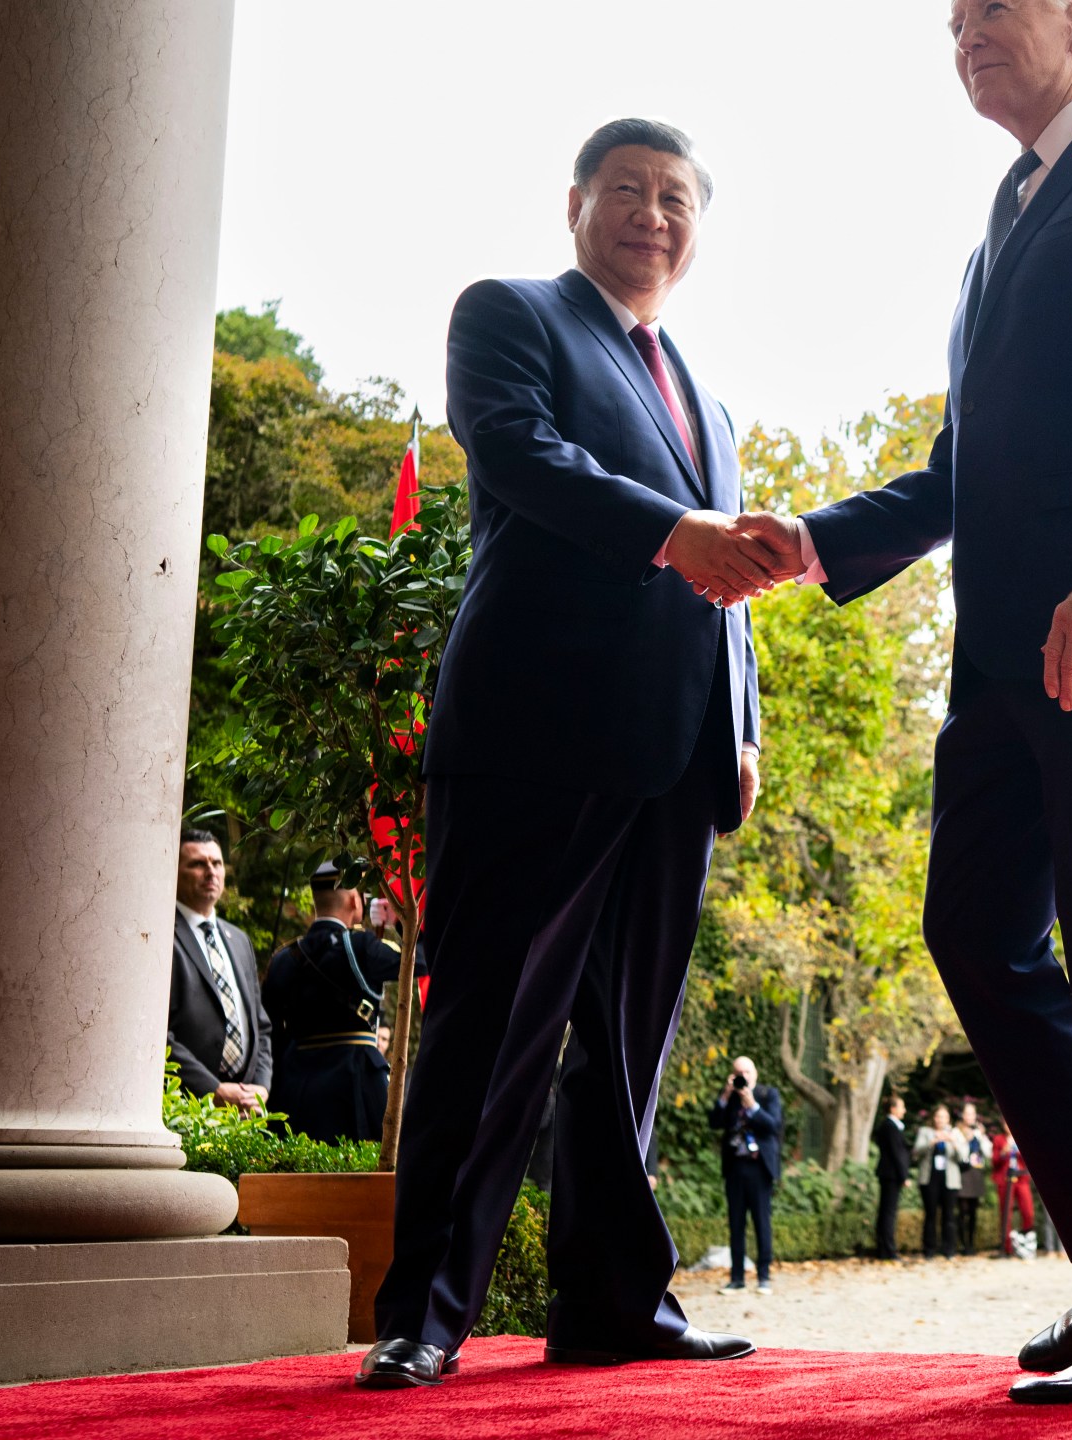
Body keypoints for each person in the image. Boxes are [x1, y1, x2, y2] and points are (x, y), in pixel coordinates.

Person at [736, 0, 1072, 1402]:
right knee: (971, 928)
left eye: (993, 9)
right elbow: (963, 470)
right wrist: (816, 540)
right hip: (1001, 656)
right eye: (950, 19)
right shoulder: (995, 228)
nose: (963, 32)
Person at [359, 118, 788, 1389]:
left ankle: (612, 1304)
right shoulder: (510, 316)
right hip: (534, 735)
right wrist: (675, 531)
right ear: (576, 204)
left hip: (678, 755)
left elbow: (731, 580)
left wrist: (744, 720)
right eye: (627, 191)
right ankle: (425, 1313)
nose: (652, 215)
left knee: (625, 1048)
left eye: (675, 198)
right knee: (490, 1025)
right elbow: (523, 459)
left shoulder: (705, 392)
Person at [261, 861, 404, 1142]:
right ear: (354, 899)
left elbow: (272, 1034)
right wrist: (399, 920)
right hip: (356, 1086)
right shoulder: (361, 947)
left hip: (295, 1089)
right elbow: (423, 960)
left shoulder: (283, 959)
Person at [167, 830, 272, 1112]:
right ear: (173, 872)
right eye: (198, 864)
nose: (210, 872)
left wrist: (260, 1087)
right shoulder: (160, 934)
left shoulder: (239, 940)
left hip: (244, 1107)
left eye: (217, 863)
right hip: (186, 1105)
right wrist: (211, 1090)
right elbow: (157, 1034)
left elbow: (260, 1027)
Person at [713, 1057, 783, 1294]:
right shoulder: (729, 1097)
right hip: (735, 1167)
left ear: (755, 1073)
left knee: (762, 1222)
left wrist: (752, 1104)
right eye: (738, 1072)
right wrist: (724, 1095)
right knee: (736, 1224)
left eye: (747, 1071)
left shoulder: (767, 1094)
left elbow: (773, 1126)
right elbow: (714, 1122)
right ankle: (737, 1278)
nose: (743, 1075)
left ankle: (764, 1277)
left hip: (759, 1168)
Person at [919, 1103, 963, 1258]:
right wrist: (932, 1142)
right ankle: (929, 1249)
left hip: (949, 1180)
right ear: (934, 1117)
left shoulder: (955, 1133)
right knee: (930, 1214)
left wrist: (953, 1142)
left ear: (948, 1118)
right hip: (930, 1178)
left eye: (944, 1116)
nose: (941, 1119)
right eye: (938, 1116)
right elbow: (916, 1151)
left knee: (949, 1215)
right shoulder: (925, 1132)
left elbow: (963, 1157)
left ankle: (949, 1249)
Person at [873, 1094, 913, 1260]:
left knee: (886, 1211)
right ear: (893, 1108)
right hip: (891, 1174)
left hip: (888, 1173)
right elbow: (897, 1154)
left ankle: (884, 1248)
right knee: (888, 1212)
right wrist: (904, 1176)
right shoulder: (890, 1127)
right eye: (901, 1107)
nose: (904, 1110)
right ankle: (888, 1250)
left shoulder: (889, 1126)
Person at [992, 1121, 1037, 1255]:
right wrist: (1003, 1152)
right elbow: (994, 1161)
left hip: (1021, 1178)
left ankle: (1027, 1243)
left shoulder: (1022, 1136)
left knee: (1028, 1211)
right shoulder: (999, 1139)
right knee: (1006, 1213)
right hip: (1005, 1179)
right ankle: (1007, 1248)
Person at [954, 1102, 992, 1255]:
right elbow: (959, 1155)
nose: (970, 1117)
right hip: (963, 1173)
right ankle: (963, 1244)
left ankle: (971, 1244)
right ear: (962, 1115)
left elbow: (988, 1153)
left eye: (972, 1114)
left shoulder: (978, 1133)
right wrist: (966, 1140)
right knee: (963, 1210)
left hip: (976, 1173)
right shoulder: (956, 1131)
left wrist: (981, 1136)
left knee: (973, 1211)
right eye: (967, 1113)